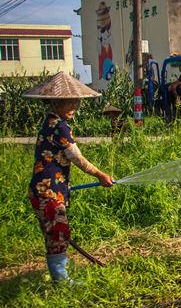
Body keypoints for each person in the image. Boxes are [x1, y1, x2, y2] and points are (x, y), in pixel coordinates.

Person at [23, 72, 114, 284]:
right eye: (69, 101)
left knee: (56, 233)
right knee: (58, 232)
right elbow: (77, 158)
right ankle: (61, 281)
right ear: (56, 102)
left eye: (76, 101)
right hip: (47, 191)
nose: (74, 105)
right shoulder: (59, 126)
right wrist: (101, 175)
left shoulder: (51, 121)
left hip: (47, 189)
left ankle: (59, 277)